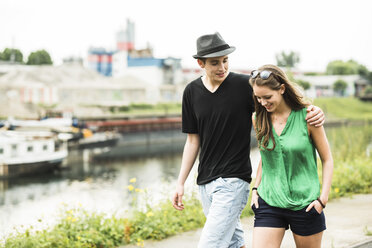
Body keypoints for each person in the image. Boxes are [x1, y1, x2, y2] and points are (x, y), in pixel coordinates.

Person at [172, 32, 325, 248]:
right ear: (200, 63)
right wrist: (180, 182)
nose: (222, 67)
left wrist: (312, 110)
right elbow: (192, 141)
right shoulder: (191, 92)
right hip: (205, 182)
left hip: (234, 180)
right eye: (215, 63)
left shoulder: (245, 85)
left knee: (210, 244)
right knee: (232, 244)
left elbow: (279, 105)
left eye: (225, 61)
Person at [249, 64, 333, 248]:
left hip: (305, 203)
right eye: (258, 98)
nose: (263, 102)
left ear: (282, 89)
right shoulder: (259, 118)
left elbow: (327, 159)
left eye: (267, 97)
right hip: (269, 201)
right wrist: (255, 188)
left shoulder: (308, 117)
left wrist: (323, 200)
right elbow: (267, 156)